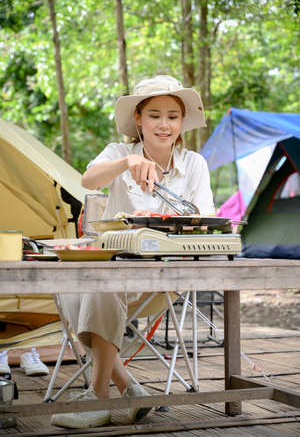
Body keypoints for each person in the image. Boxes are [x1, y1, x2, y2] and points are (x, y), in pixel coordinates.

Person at [51, 75, 215, 429]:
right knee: (73, 285)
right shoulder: (117, 153)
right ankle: (129, 387)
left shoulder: (195, 165)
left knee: (97, 285)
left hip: (165, 280)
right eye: (154, 115)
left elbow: (205, 224)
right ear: (138, 118)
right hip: (114, 273)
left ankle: (98, 398)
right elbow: (88, 181)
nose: (164, 124)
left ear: (182, 121)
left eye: (173, 116)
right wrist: (127, 163)